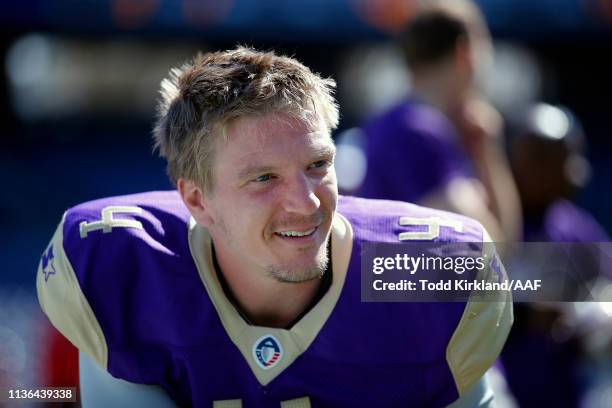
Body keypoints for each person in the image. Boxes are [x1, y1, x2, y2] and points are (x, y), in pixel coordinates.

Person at [36, 47, 512, 407]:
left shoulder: (413, 271)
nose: (306, 203)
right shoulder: (125, 271)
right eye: (263, 178)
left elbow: (561, 273)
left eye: (318, 164)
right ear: (198, 200)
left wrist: (582, 286)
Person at [359, 0, 521, 243]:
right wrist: (490, 155)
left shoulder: (408, 124)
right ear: (464, 52)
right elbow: (493, 246)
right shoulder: (416, 129)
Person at [502, 102, 611, 408]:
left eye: (572, 157)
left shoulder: (577, 229)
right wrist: (524, 315)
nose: (573, 172)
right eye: (550, 160)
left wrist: (595, 314)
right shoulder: (483, 222)